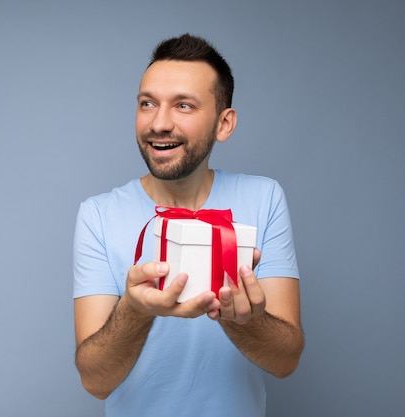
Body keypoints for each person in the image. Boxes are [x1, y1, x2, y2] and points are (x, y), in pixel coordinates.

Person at [72, 34, 304, 417]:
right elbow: (95, 382)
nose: (159, 123)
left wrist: (242, 320)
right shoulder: (98, 214)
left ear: (223, 123)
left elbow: (286, 360)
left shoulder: (264, 199)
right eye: (148, 104)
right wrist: (135, 309)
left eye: (183, 105)